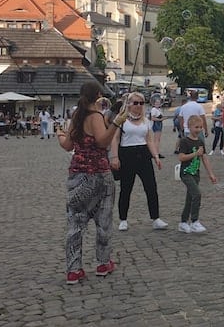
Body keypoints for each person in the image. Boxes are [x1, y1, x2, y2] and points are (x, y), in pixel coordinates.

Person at [57, 81, 126, 284]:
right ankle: (103, 263)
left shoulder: (77, 116)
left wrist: (60, 135)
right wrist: (116, 123)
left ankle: (73, 270)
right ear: (97, 95)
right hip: (98, 174)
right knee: (103, 220)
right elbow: (102, 141)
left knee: (75, 224)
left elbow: (67, 145)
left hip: (77, 176)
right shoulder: (95, 116)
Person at [110, 92, 168, 232]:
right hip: (127, 154)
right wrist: (115, 157)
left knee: (151, 187)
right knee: (126, 189)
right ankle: (123, 219)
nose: (138, 106)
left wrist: (155, 156)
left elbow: (149, 139)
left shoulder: (146, 121)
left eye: (141, 103)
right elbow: (115, 139)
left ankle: (156, 218)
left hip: (143, 154)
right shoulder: (122, 119)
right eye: (135, 103)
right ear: (129, 104)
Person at [176, 115, 218, 233]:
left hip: (196, 173)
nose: (199, 129)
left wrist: (211, 174)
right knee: (197, 194)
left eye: (201, 127)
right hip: (186, 173)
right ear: (189, 127)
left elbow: (204, 158)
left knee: (190, 198)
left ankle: (183, 222)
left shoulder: (200, 141)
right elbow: (181, 157)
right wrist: (195, 154)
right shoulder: (184, 141)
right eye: (196, 127)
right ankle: (195, 221)